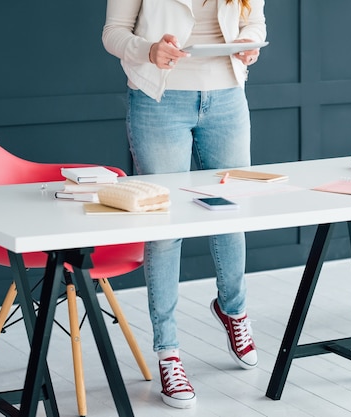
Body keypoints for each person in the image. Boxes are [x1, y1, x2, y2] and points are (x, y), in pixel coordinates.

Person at [102, 0, 266, 409]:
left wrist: (249, 43)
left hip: (227, 97)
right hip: (160, 100)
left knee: (230, 211)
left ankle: (234, 310)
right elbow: (113, 33)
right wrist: (148, 50)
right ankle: (168, 351)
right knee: (165, 225)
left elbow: (255, 21)